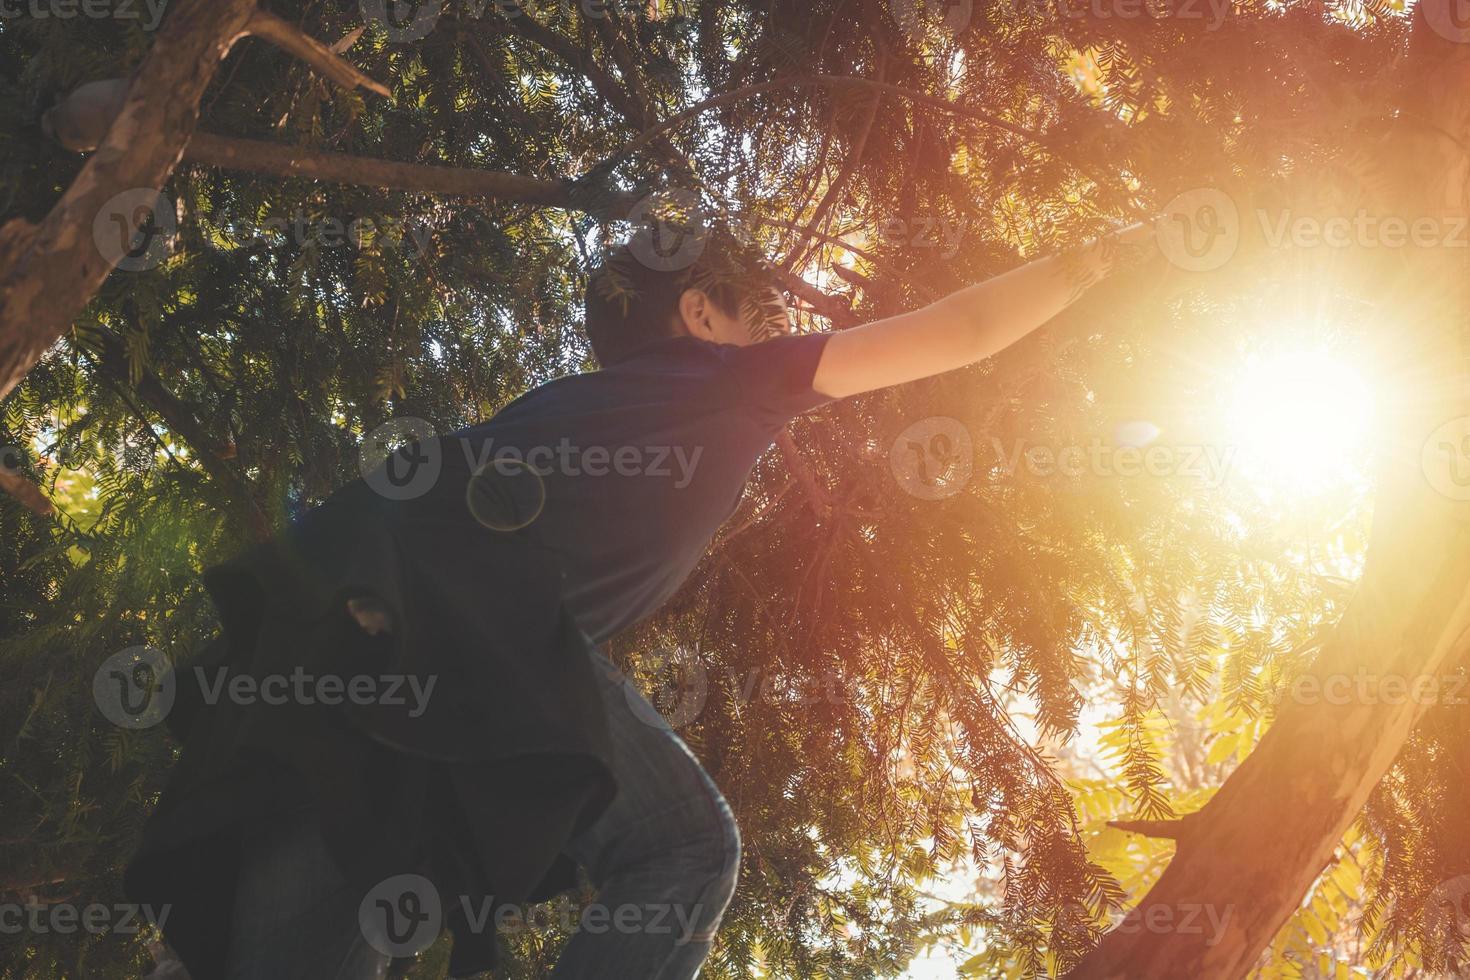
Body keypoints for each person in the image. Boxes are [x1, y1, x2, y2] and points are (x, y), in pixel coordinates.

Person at [124, 219, 1157, 980]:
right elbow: (962, 324)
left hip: (358, 636)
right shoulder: (722, 381)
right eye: (764, 312)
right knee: (681, 843)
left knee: (312, 899)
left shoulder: (595, 403)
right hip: (462, 619)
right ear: (702, 316)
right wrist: (1107, 252)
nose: (783, 330)